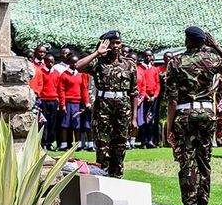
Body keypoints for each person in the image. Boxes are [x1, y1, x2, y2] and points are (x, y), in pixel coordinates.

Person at [166, 26, 222, 205]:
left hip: (184, 114)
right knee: (204, 161)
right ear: (204, 42)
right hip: (206, 113)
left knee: (187, 162)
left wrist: (169, 129)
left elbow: (171, 100)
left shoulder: (176, 62)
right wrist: (217, 46)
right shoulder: (211, 59)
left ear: (188, 40)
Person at [76, 30, 138, 178]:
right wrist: (97, 53)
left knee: (120, 145)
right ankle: (102, 177)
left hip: (123, 107)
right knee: (102, 145)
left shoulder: (129, 64)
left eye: (118, 42)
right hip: (103, 106)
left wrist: (134, 118)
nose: (116, 45)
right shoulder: (99, 63)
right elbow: (78, 66)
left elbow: (134, 92)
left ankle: (117, 178)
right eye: (112, 43)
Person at [57, 55, 89, 151]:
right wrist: (62, 105)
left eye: (76, 62)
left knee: (77, 124)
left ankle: (78, 144)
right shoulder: (64, 75)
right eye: (73, 62)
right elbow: (61, 90)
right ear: (69, 63)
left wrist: (86, 103)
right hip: (67, 102)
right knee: (65, 124)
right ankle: (64, 144)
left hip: (77, 103)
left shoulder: (81, 74)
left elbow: (84, 89)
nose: (75, 64)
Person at [137, 50, 160, 148]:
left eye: (149, 56)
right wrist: (146, 96)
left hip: (153, 98)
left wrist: (154, 96)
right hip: (143, 98)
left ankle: (150, 140)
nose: (148, 57)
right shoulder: (139, 69)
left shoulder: (154, 69)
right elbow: (141, 85)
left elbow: (158, 84)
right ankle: (143, 141)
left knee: (151, 120)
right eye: (146, 56)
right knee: (142, 120)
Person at [39, 54, 60, 150]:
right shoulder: (41, 72)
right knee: (44, 122)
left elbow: (59, 87)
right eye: (49, 61)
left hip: (53, 100)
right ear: (45, 62)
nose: (51, 63)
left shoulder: (56, 73)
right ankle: (42, 143)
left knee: (52, 122)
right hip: (43, 100)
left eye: (52, 61)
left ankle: (49, 143)